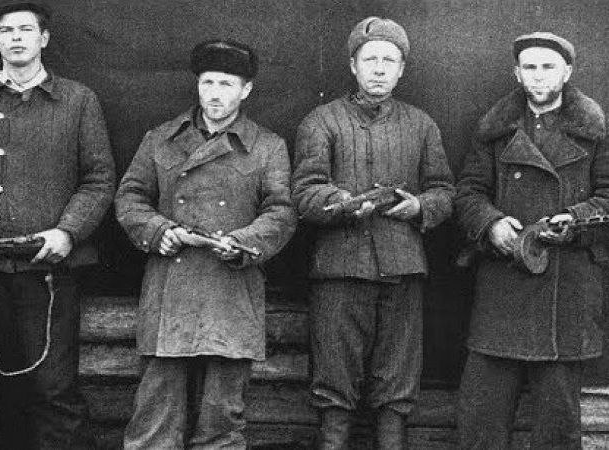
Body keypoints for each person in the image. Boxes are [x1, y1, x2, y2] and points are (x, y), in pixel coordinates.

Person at [0, 1, 116, 448]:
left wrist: (67, 232)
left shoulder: (78, 101)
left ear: (43, 38)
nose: (16, 38)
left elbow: (99, 180)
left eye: (26, 29)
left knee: (53, 388)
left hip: (48, 271)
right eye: (6, 30)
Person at [115, 39, 296, 449]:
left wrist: (241, 242)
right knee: (155, 421)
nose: (215, 93)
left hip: (231, 291)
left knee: (221, 421)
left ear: (246, 90)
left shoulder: (267, 146)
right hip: (170, 291)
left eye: (226, 84)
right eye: (207, 82)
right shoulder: (161, 139)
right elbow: (130, 198)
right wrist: (159, 231)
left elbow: (281, 212)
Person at [291, 16, 455, 449]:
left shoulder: (421, 125)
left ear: (402, 69)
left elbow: (444, 190)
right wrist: (344, 203)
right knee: (334, 379)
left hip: (403, 269)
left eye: (389, 61)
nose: (379, 69)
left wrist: (419, 206)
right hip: (339, 271)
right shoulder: (321, 121)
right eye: (370, 60)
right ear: (353, 65)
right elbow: (304, 192)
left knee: (396, 383)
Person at [455, 32, 609, 448]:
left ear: (567, 72)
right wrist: (491, 225)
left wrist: (575, 220)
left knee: (557, 427)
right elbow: (468, 192)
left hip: (566, 289)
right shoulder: (494, 130)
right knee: (481, 421)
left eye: (548, 67)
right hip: (502, 288)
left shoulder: (595, 130)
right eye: (530, 68)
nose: (539, 76)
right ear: (517, 74)